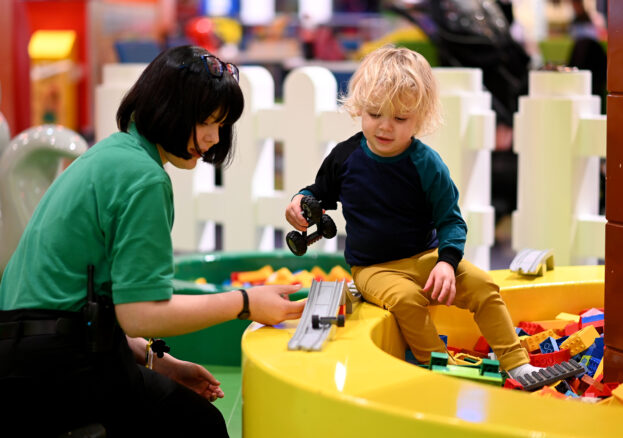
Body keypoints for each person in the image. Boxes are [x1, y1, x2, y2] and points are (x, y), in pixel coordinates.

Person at [0, 45, 305, 437]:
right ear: (169, 109)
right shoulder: (144, 177)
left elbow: (75, 303)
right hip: (56, 367)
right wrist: (246, 302)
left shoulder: (111, 154)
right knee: (202, 425)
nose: (214, 138)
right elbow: (140, 313)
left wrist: (156, 361)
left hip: (23, 357)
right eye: (206, 121)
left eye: (221, 124)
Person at [285, 45, 539, 381]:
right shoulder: (345, 157)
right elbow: (319, 194)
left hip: (426, 256)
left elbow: (450, 219)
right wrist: (300, 202)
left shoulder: (425, 163)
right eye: (374, 114)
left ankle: (517, 363)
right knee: (406, 300)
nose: (385, 127)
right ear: (360, 108)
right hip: (373, 268)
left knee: (484, 286)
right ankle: (438, 366)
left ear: (420, 119)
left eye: (400, 118)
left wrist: (447, 263)